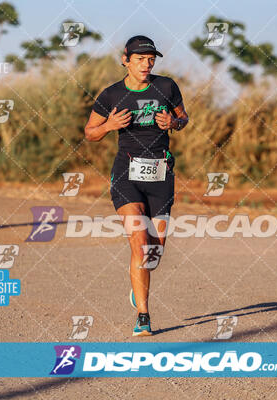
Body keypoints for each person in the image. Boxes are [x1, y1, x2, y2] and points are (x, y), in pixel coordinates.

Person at [84, 35, 188, 336]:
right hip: (126, 176)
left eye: (151, 58)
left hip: (161, 175)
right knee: (140, 245)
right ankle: (143, 314)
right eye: (140, 58)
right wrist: (109, 126)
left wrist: (174, 123)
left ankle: (137, 284)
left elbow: (184, 118)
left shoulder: (167, 87)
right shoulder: (111, 95)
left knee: (153, 255)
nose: (147, 63)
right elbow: (90, 133)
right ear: (125, 59)